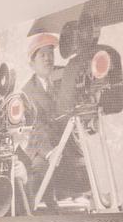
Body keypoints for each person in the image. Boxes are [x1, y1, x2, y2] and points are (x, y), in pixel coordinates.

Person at [19, 31, 84, 211]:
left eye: (50, 53)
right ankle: (41, 208)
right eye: (42, 55)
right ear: (32, 64)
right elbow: (35, 128)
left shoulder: (63, 77)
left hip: (66, 141)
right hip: (41, 147)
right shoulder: (26, 92)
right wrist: (49, 153)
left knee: (85, 166)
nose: (48, 59)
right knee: (40, 170)